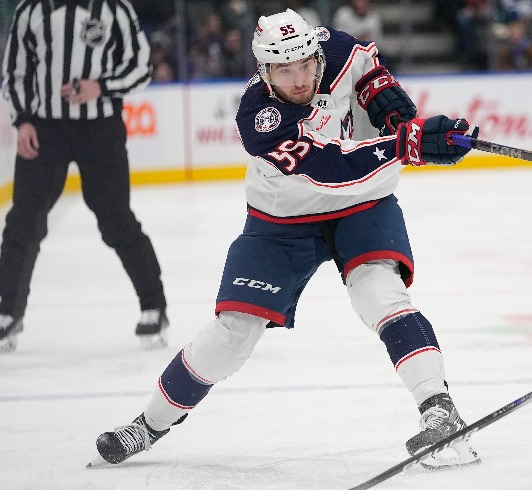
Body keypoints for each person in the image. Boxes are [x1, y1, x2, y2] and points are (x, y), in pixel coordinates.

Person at [90, 9, 481, 471]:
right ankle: (148, 425)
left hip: (364, 205)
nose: (299, 79)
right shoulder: (258, 116)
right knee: (231, 334)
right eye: (284, 70)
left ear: (317, 52)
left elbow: (380, 90)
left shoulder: (340, 50)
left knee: (380, 293)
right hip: (283, 221)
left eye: (306, 65)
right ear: (264, 70)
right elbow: (329, 167)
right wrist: (405, 146)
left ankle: (439, 409)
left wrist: (408, 125)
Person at [0, 0, 168, 352]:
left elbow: (140, 67)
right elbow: (14, 72)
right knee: (22, 221)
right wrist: (23, 120)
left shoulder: (113, 8)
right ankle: (6, 313)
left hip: (100, 129)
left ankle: (154, 306)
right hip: (44, 129)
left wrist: (101, 87)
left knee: (116, 219)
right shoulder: (31, 10)